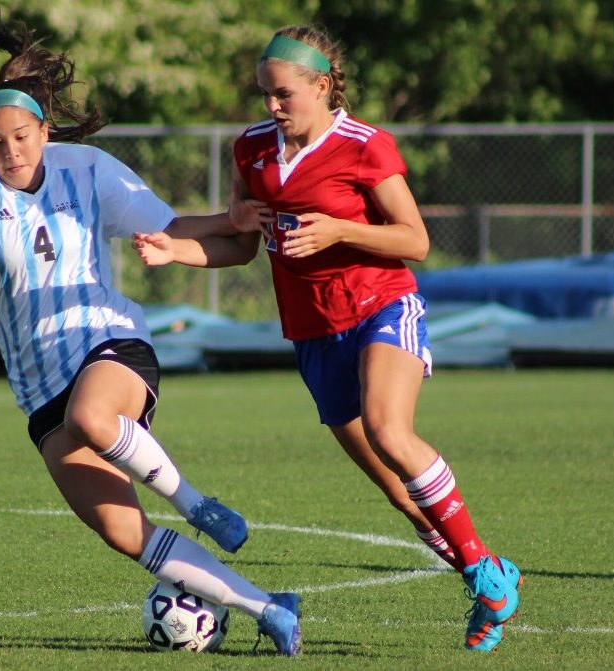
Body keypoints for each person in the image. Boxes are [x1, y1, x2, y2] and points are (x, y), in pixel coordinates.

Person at [0, 14, 301, 656]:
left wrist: (231, 219)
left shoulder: (85, 168)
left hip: (108, 344)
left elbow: (171, 224)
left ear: (43, 131)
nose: (11, 151)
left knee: (91, 413)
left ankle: (198, 504)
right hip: (37, 389)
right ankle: (268, 607)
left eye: (22, 137)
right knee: (123, 531)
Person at [133, 24, 522, 653]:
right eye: (264, 94)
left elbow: (415, 239)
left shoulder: (366, 146)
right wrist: (176, 247)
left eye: (284, 93)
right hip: (313, 333)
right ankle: (488, 583)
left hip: (381, 307)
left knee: (389, 429)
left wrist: (340, 230)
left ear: (321, 86)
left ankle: (482, 566)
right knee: (397, 491)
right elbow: (236, 244)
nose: (272, 106)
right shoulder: (252, 150)